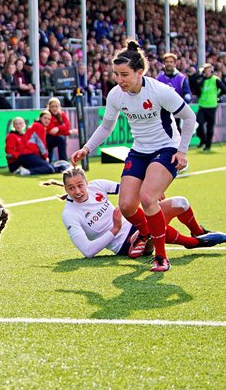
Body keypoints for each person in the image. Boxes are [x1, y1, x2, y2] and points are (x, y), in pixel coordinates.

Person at [71, 40, 197, 272]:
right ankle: (145, 231)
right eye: (116, 75)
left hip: (166, 148)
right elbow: (106, 126)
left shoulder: (160, 91)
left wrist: (182, 151)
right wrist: (87, 148)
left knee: (148, 199)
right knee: (127, 206)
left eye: (125, 74)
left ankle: (161, 256)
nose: (119, 80)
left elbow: (189, 118)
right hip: (139, 150)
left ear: (140, 72)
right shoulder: (116, 95)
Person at [45, 166, 226, 258]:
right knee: (148, 225)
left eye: (80, 185)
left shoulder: (97, 186)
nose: (77, 191)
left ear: (87, 182)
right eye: (71, 188)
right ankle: (193, 243)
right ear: (66, 190)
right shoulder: (69, 214)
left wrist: (151, 192)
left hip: (136, 222)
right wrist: (114, 230)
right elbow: (87, 251)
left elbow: (130, 187)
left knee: (181, 203)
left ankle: (199, 233)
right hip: (126, 244)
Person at [192, 63, 226, 151]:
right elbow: (194, 86)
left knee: (210, 127)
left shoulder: (216, 79)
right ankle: (203, 140)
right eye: (205, 70)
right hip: (202, 105)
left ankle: (208, 145)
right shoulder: (202, 80)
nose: (207, 72)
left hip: (212, 106)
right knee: (198, 123)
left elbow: (224, 90)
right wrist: (199, 75)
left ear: (211, 70)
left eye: (208, 70)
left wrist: (217, 98)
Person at [156, 53, 193, 133]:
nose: (169, 63)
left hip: (176, 109)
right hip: (163, 110)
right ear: (164, 63)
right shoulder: (159, 78)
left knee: (175, 130)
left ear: (175, 63)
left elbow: (187, 94)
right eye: (167, 62)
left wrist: (185, 102)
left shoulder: (181, 78)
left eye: (171, 62)